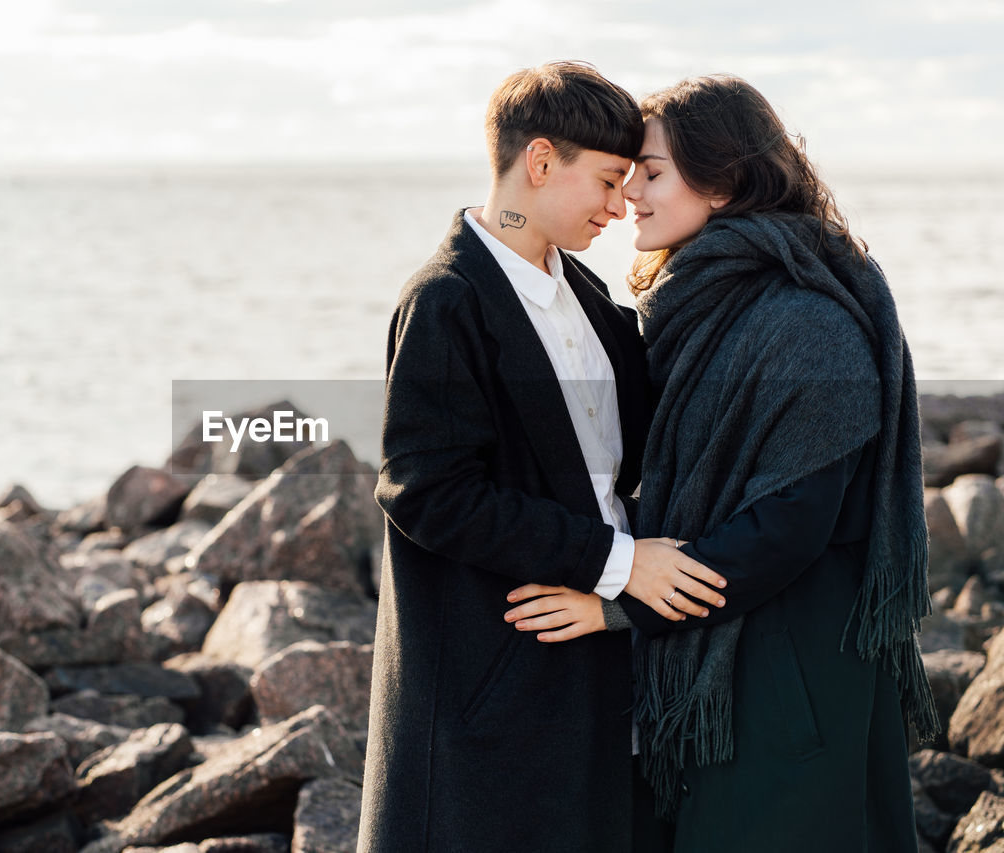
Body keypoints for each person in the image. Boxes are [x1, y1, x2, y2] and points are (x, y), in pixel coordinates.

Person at [506, 75, 938, 852]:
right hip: (717, 652)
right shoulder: (690, 306)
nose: (630, 190)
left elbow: (787, 529)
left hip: (792, 670)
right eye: (630, 171)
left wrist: (619, 602)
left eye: (653, 170)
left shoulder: (808, 322)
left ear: (725, 180)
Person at [358, 61, 726, 853]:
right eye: (606, 179)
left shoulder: (591, 299)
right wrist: (616, 562)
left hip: (592, 656)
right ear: (540, 161)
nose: (619, 204)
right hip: (488, 672)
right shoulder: (445, 301)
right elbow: (427, 491)